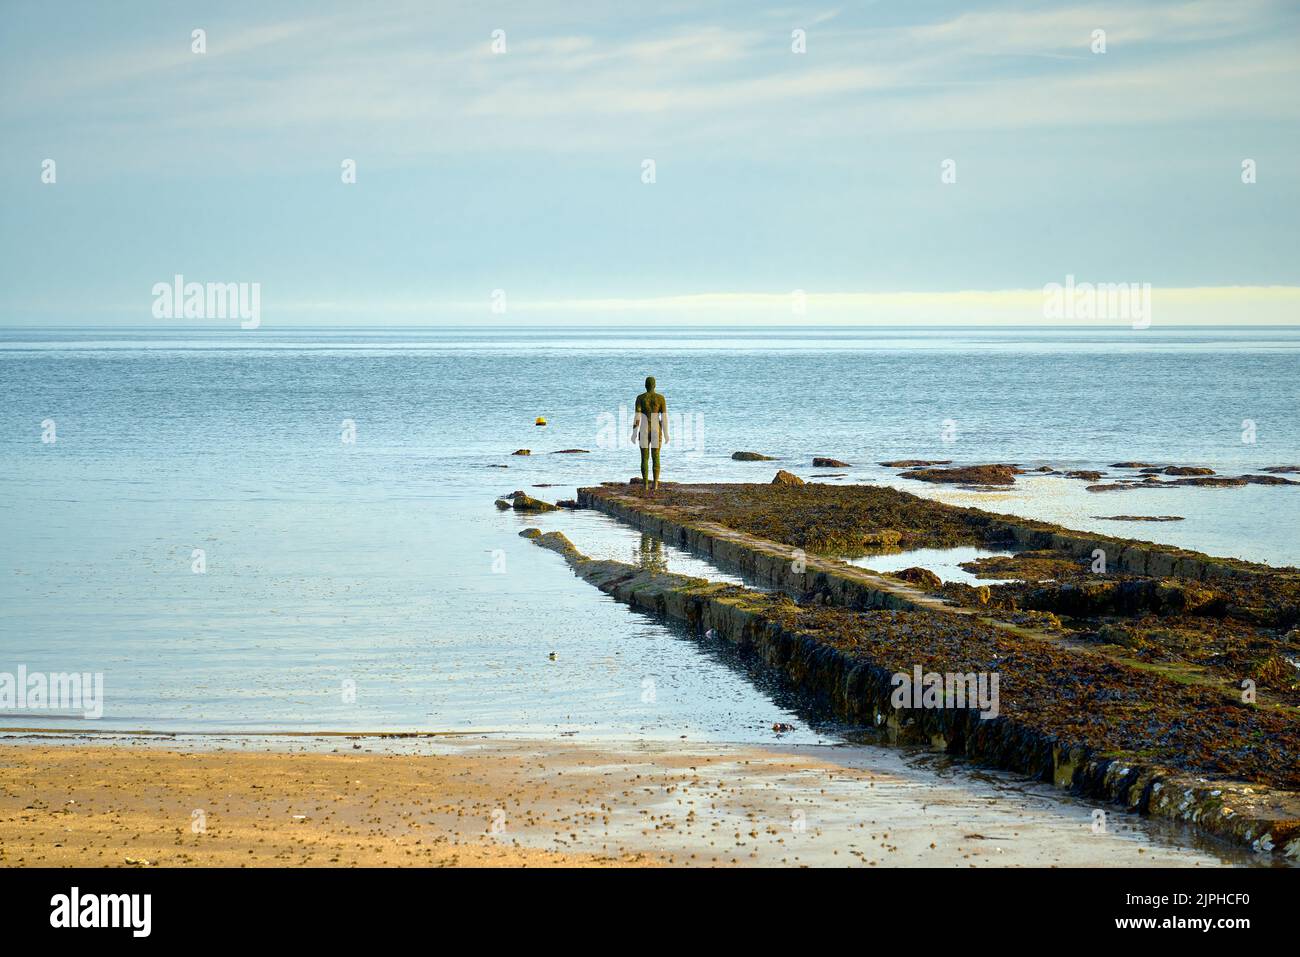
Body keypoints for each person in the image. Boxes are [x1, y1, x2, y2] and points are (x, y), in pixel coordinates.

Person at [631, 376, 669, 491]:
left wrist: (634, 432)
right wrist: (666, 433)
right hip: (656, 428)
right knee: (656, 456)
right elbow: (664, 418)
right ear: (655, 385)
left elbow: (637, 416)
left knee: (644, 458)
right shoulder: (660, 398)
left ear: (645, 385)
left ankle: (645, 485)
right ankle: (655, 484)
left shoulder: (640, 398)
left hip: (644, 428)